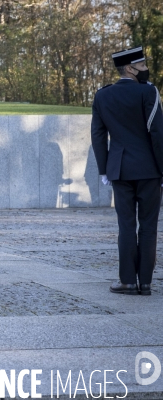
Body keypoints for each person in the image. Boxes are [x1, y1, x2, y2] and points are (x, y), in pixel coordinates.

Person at [91, 46, 163, 295]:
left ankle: (127, 281)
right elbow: (157, 134)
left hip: (119, 169)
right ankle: (145, 283)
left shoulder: (102, 96)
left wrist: (103, 170)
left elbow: (98, 136)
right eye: (142, 66)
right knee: (148, 225)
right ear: (131, 68)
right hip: (149, 168)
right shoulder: (148, 91)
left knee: (126, 225)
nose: (146, 69)